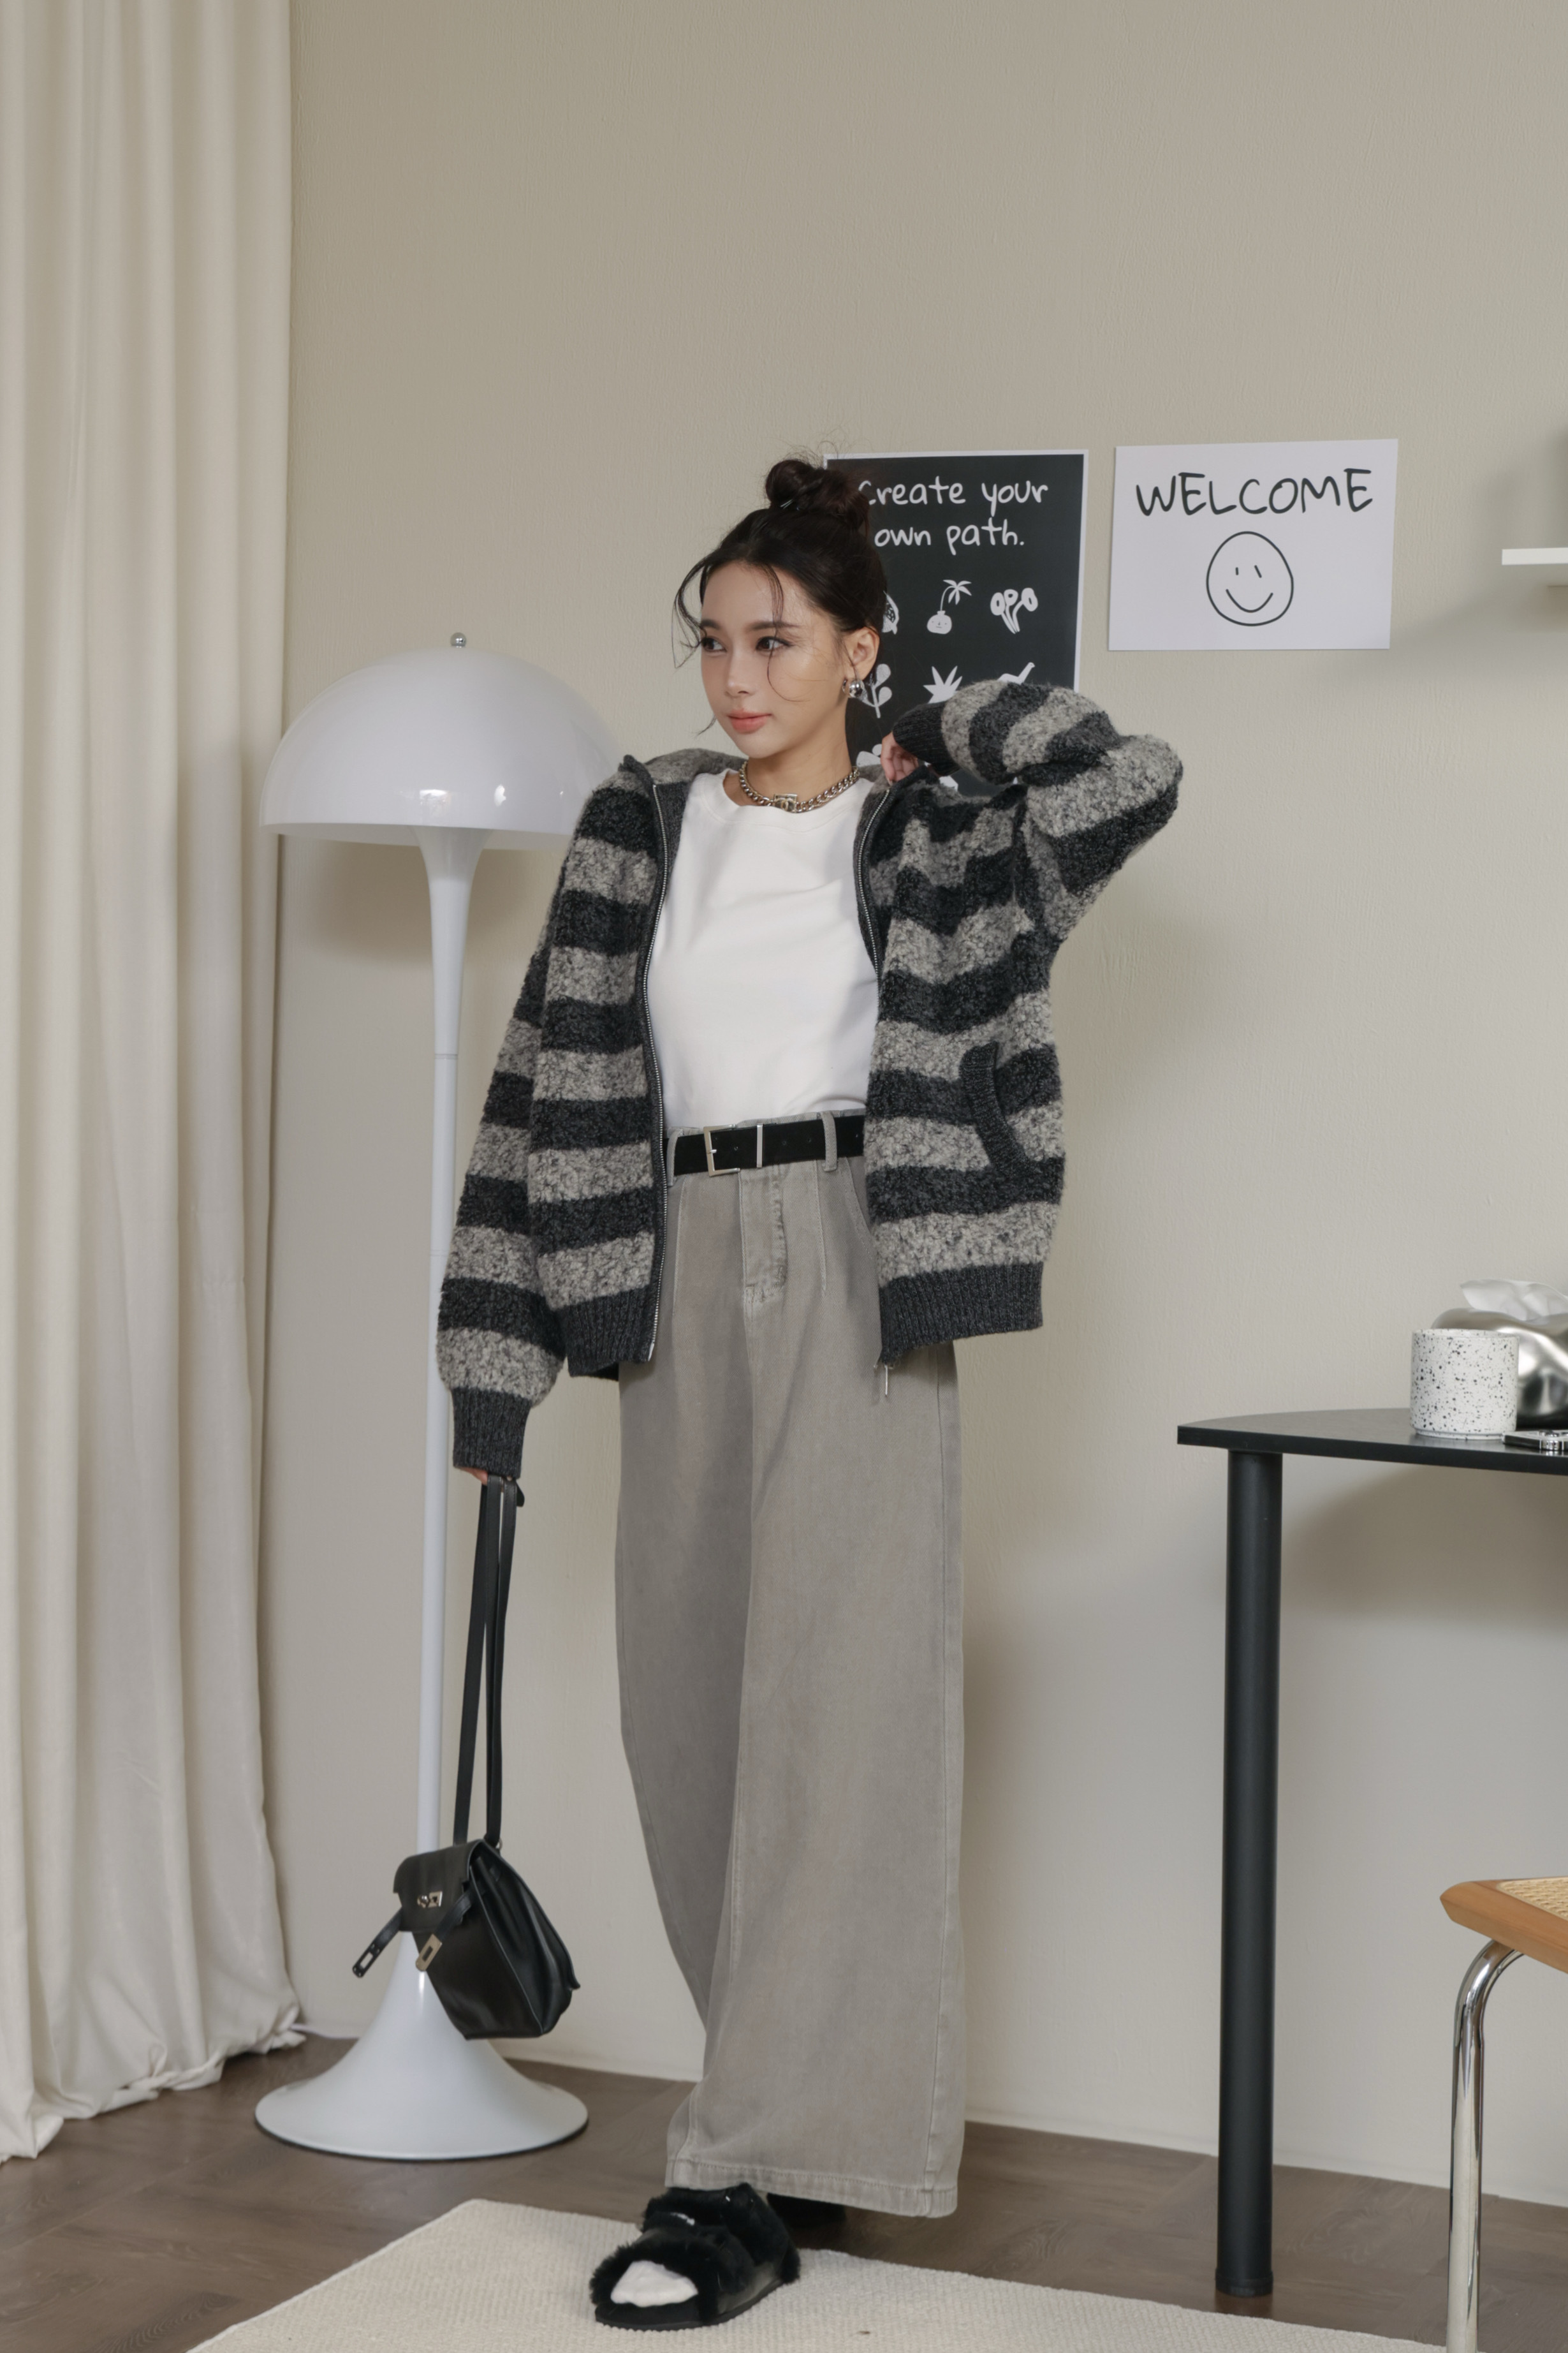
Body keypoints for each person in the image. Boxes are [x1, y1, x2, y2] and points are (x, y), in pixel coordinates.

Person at [436, 458, 1180, 2329]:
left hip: (864, 1251)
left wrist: (945, 725)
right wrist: (494, 1371)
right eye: (714, 641)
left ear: (857, 649)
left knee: (843, 1723)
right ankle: (793, 2127)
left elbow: (1129, 776)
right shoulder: (639, 826)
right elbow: (533, 1090)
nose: (735, 678)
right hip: (664, 1259)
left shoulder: (937, 835)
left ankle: (734, 2168)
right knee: (690, 1718)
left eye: (777, 642)